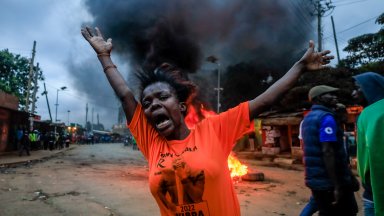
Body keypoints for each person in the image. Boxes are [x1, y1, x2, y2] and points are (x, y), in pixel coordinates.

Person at [81, 26, 333, 216]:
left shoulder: (214, 130)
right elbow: (126, 95)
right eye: (147, 103)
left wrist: (299, 67)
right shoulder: (152, 143)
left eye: (162, 97)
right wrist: (104, 56)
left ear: (180, 106)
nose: (153, 104)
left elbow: (265, 101)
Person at [301, 85, 358, 216]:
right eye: (330, 94)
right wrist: (337, 186)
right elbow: (328, 152)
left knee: (326, 211)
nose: (335, 96)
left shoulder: (307, 118)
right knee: (348, 211)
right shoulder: (326, 118)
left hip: (315, 179)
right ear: (320, 98)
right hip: (330, 181)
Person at [352, 72, 384, 216]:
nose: (353, 93)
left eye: (357, 88)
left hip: (375, 191)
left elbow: (370, 157)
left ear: (371, 87)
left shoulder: (370, 114)